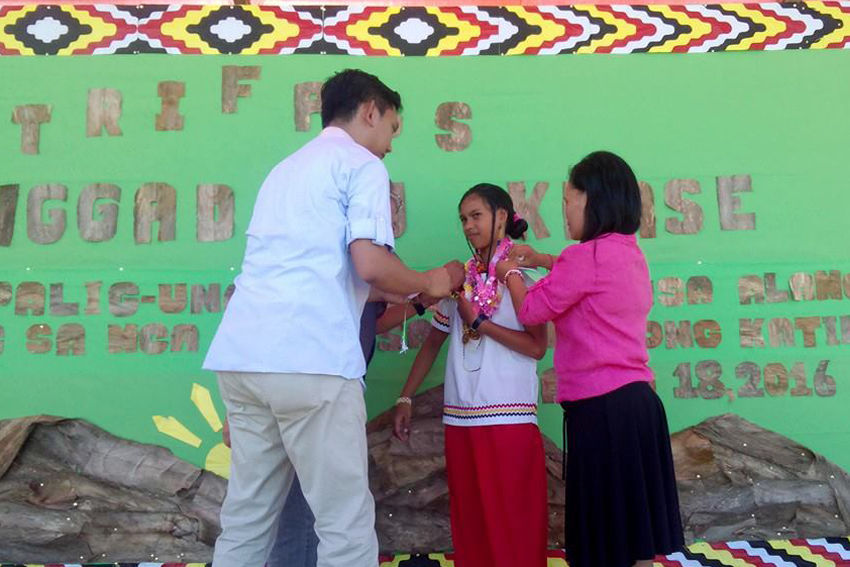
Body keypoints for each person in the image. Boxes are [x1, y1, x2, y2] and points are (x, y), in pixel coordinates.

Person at [202, 68, 455, 567]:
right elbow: (368, 263)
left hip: (243, 360)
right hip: (311, 362)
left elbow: (355, 276)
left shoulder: (285, 170)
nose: (390, 145)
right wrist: (431, 281)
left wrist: (415, 288)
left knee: (247, 522)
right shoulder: (360, 165)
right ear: (370, 112)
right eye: (392, 129)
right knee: (344, 527)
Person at [497, 151, 684, 567]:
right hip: (638, 407)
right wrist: (543, 259)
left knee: (605, 544)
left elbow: (531, 311)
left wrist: (508, 271)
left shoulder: (585, 259)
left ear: (592, 199)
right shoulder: (628, 252)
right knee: (635, 539)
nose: (563, 211)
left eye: (568, 200)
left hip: (604, 412)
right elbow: (580, 277)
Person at [220, 297, 445, 567]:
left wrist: (420, 299)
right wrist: (431, 283)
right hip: (312, 382)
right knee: (329, 519)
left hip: (277, 384)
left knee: (256, 518)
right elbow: (378, 273)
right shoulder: (345, 260)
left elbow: (369, 321)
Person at [393, 183, 549, 567]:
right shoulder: (461, 277)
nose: (467, 226)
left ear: (501, 217)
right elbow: (433, 343)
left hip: (508, 418)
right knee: (471, 520)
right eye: (463, 218)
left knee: (514, 521)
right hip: (461, 416)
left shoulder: (523, 273)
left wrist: (480, 320)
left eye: (476, 216)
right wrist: (406, 397)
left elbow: (536, 346)